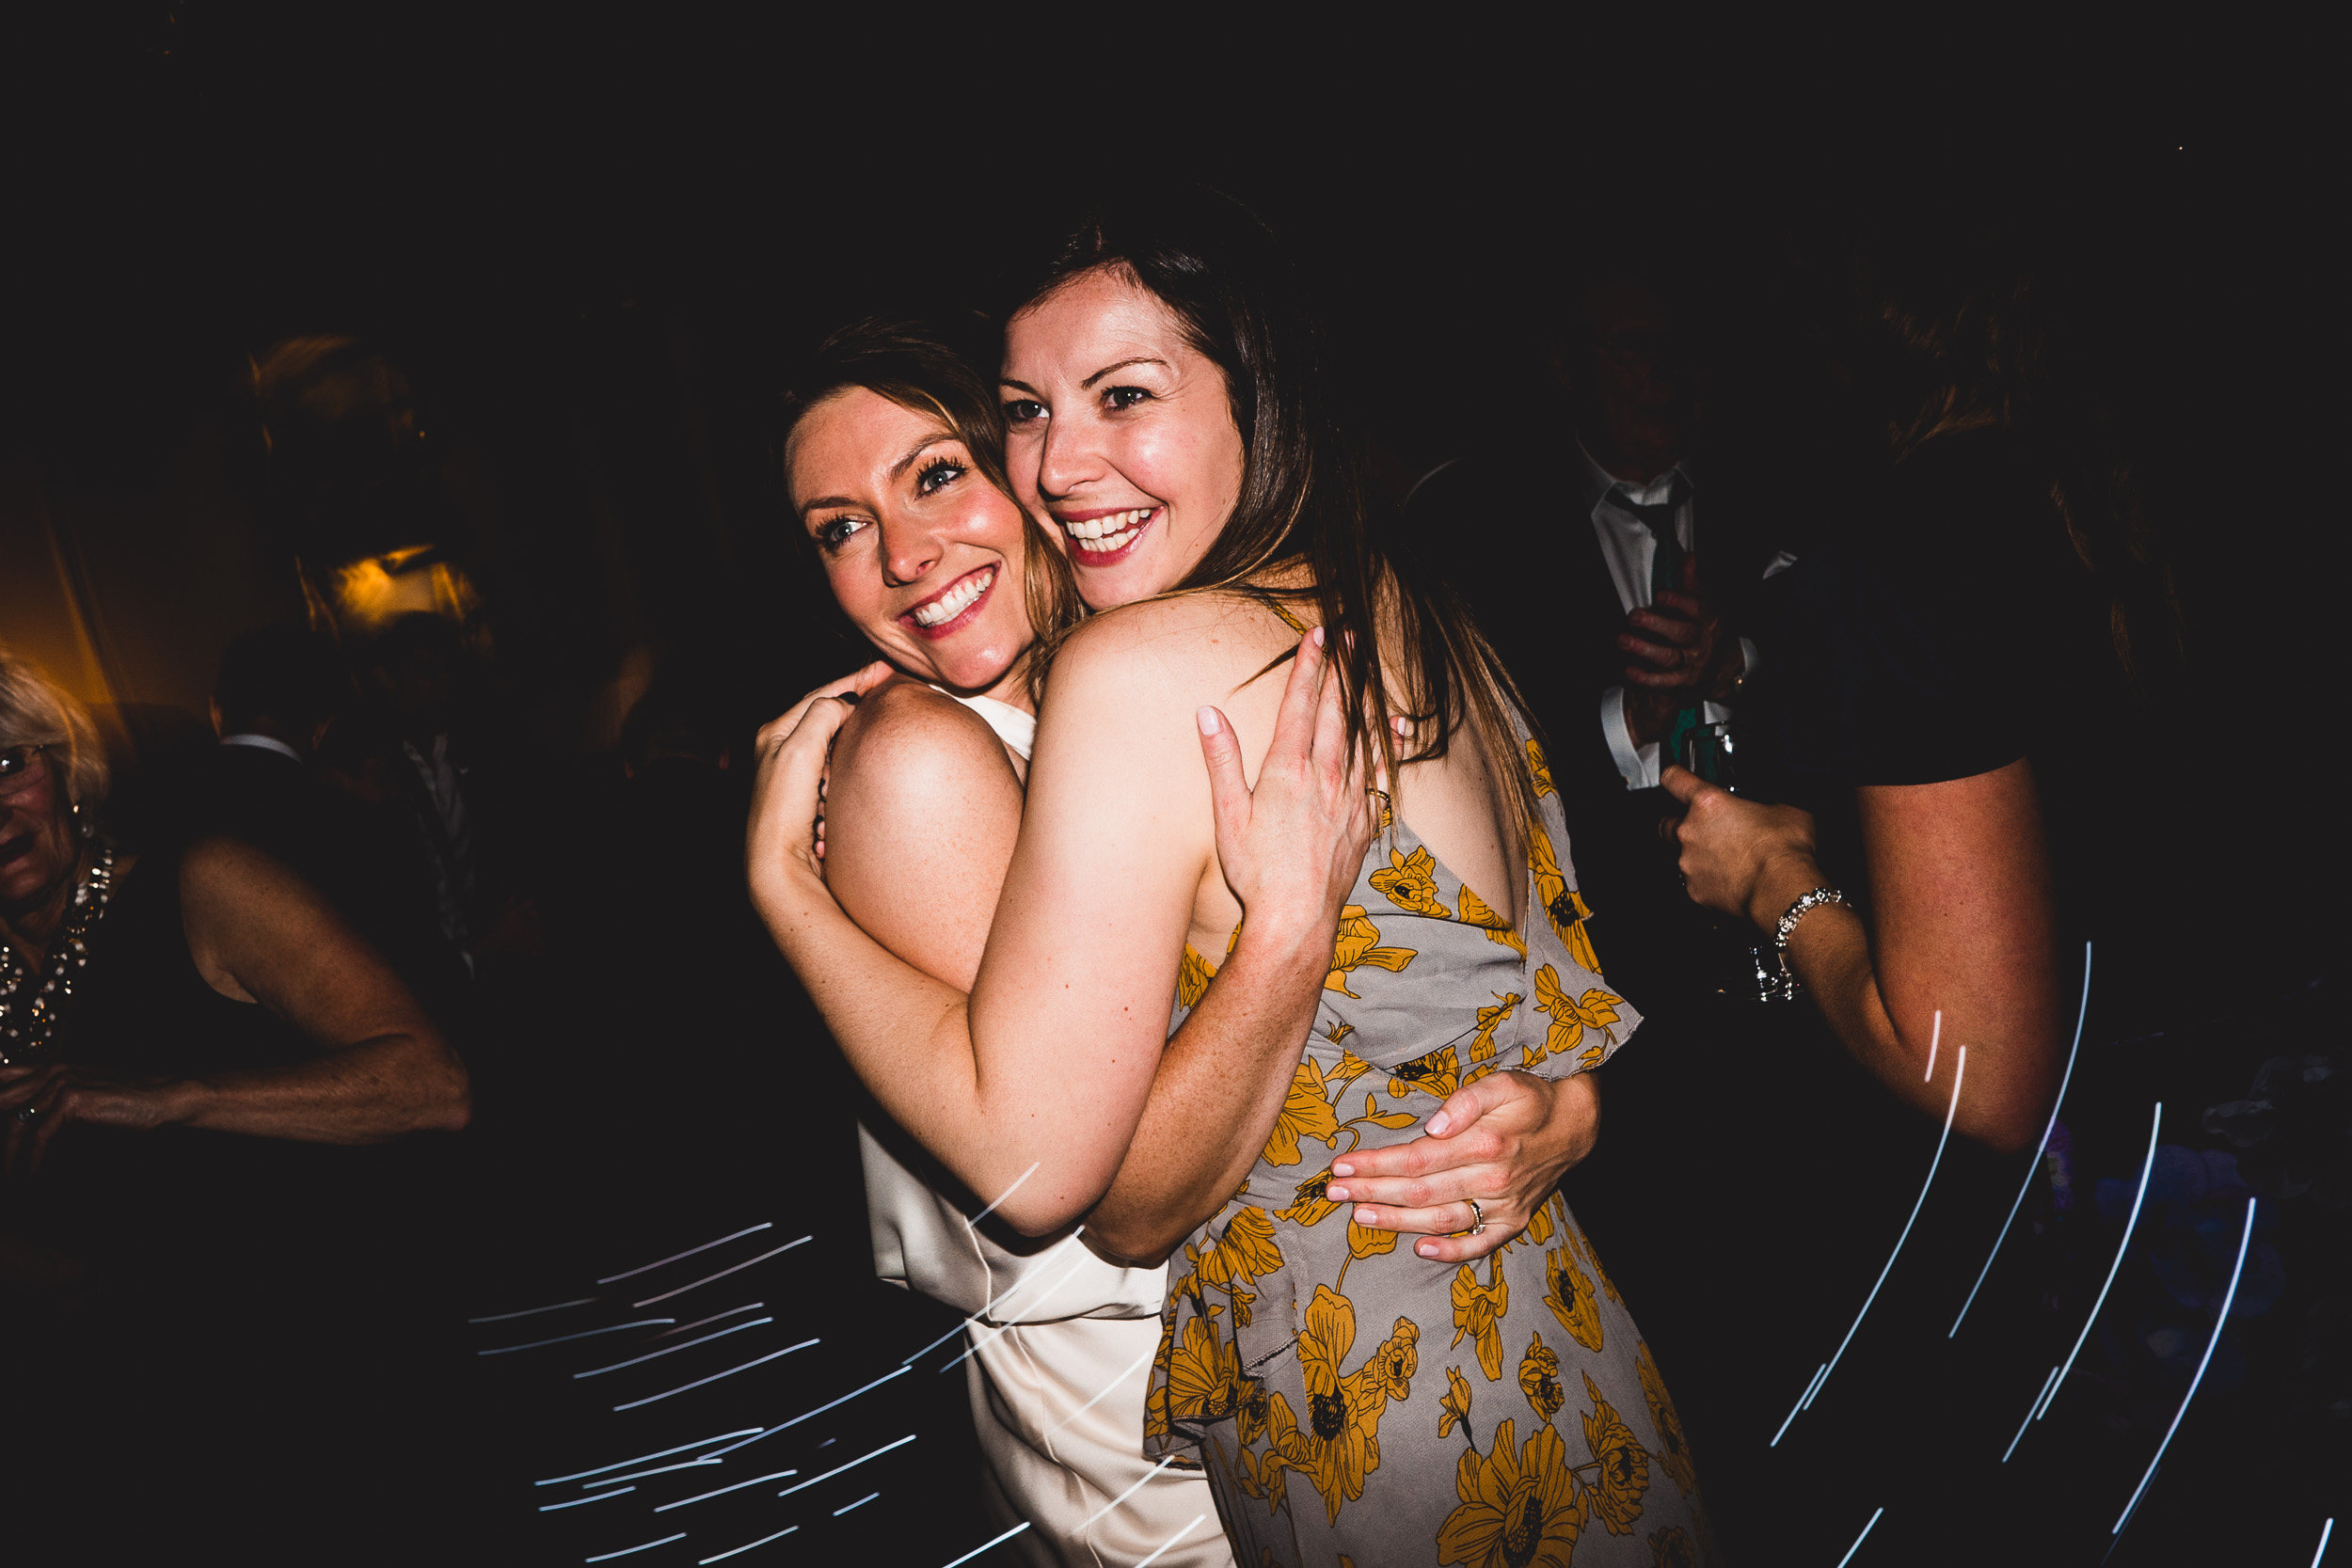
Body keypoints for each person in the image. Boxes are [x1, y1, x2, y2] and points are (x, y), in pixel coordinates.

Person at [753, 197, 1711, 1565]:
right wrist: (1298, 947)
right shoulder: (1399, 609)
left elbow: (1100, 1165)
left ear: (1253, 400)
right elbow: (1073, 1182)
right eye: (836, 527)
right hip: (1359, 1379)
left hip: (1359, 1408)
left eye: (939, 472)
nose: (902, 555)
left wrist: (1567, 1108)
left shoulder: (1150, 668)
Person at [1407, 261, 1784, 1011]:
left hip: (1779, 933)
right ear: (1564, 363)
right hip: (1601, 967)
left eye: (1683, 346)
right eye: (1639, 347)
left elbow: (1855, 694)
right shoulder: (1481, 523)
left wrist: (1734, 667)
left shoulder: (1776, 491)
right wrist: (1628, 719)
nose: (1670, 373)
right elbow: (1464, 758)